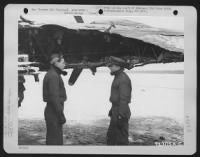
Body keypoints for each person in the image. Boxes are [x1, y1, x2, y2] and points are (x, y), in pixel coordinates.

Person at [106, 56, 132, 145]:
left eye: (111, 65)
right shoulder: (118, 76)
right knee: (112, 136)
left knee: (121, 139)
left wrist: (121, 115)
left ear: (118, 66)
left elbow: (124, 99)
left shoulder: (123, 78)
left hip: (120, 111)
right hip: (116, 110)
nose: (109, 67)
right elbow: (116, 96)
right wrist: (112, 109)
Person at [43, 53, 67, 145]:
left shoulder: (53, 74)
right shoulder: (53, 76)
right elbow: (54, 97)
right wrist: (60, 114)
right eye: (63, 62)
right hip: (54, 111)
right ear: (56, 63)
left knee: (53, 138)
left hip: (53, 110)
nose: (65, 64)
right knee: (55, 141)